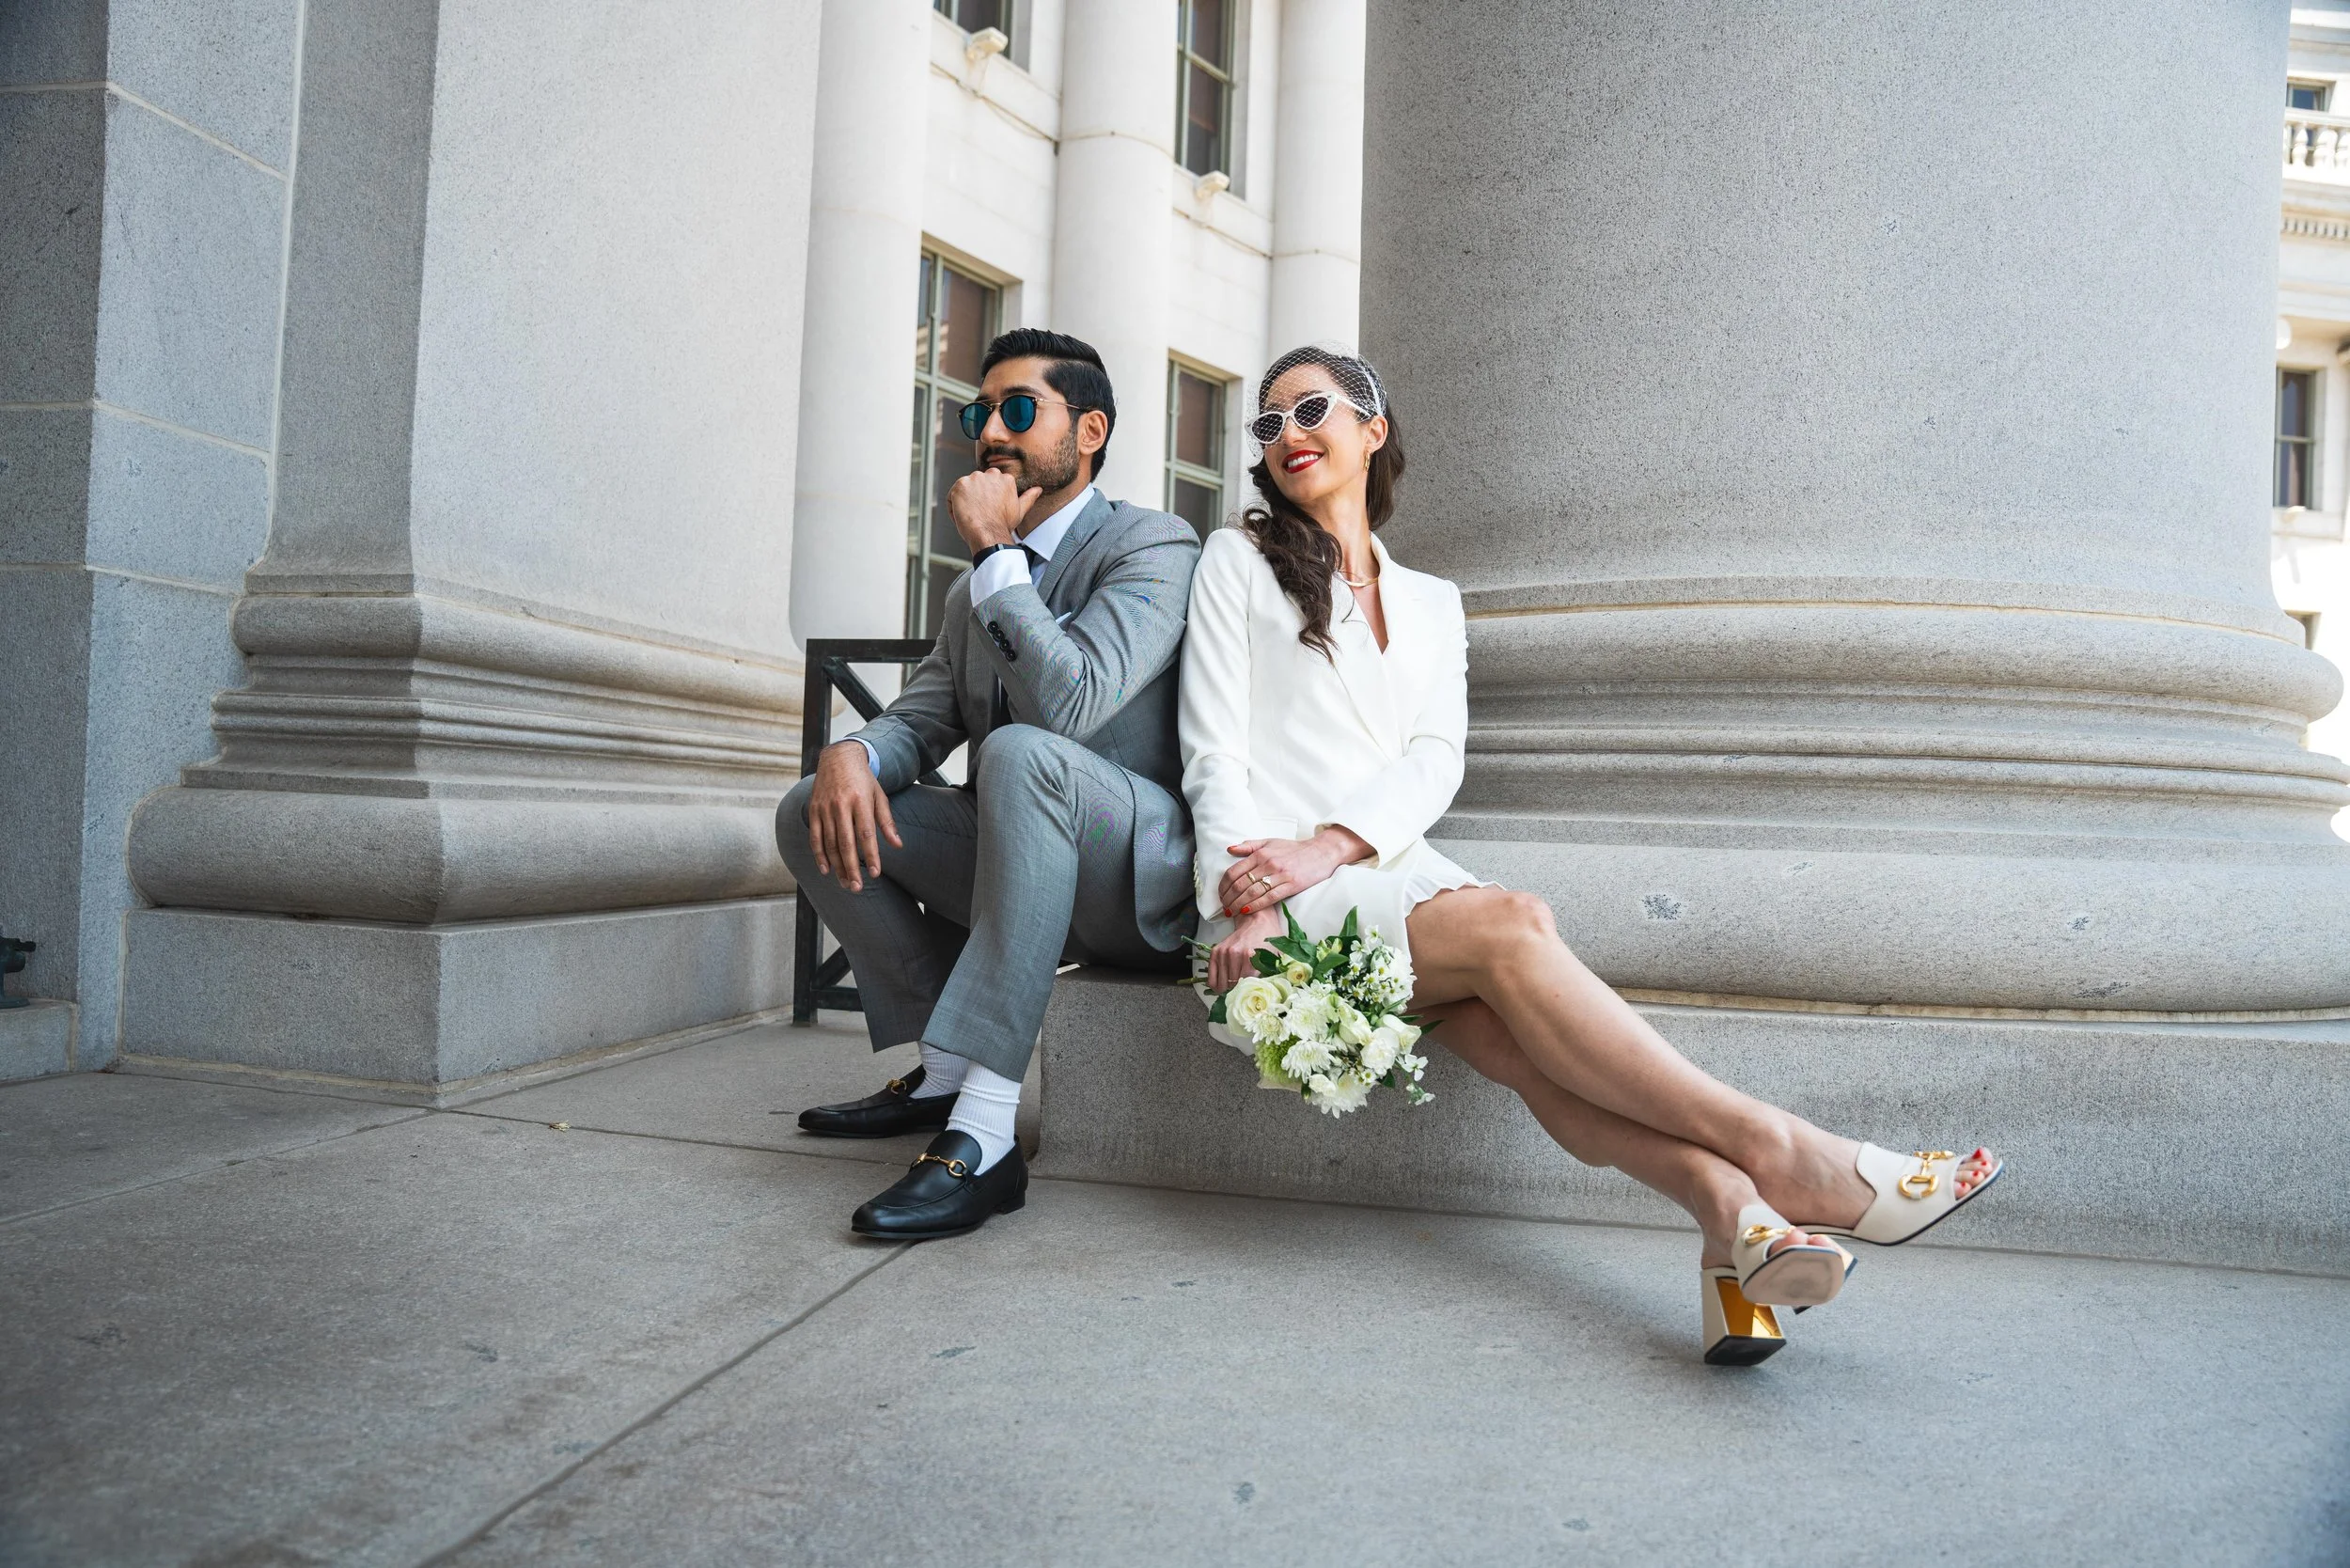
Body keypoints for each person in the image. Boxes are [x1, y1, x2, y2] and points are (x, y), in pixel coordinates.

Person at [1180, 346, 2002, 1364]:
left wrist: (1336, 846)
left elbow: (1436, 760)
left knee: (1533, 1061)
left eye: (1310, 410)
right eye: (1267, 426)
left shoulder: (1432, 600)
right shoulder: (1236, 562)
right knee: (1517, 923)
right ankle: (1789, 1154)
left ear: (1372, 429)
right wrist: (1255, 895)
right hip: (1268, 916)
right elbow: (1213, 749)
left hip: (1384, 880)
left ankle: (1731, 1220)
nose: (1288, 435)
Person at [780, 329, 1200, 1239]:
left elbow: (1075, 705)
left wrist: (997, 556)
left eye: (1018, 410)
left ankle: (986, 1137)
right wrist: (852, 754)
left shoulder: (1153, 546)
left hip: (1129, 876)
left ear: (1089, 431)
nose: (992, 434)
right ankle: (942, 1072)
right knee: (811, 803)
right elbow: (923, 717)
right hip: (1014, 856)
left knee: (1019, 753)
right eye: (980, 414)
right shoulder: (979, 583)